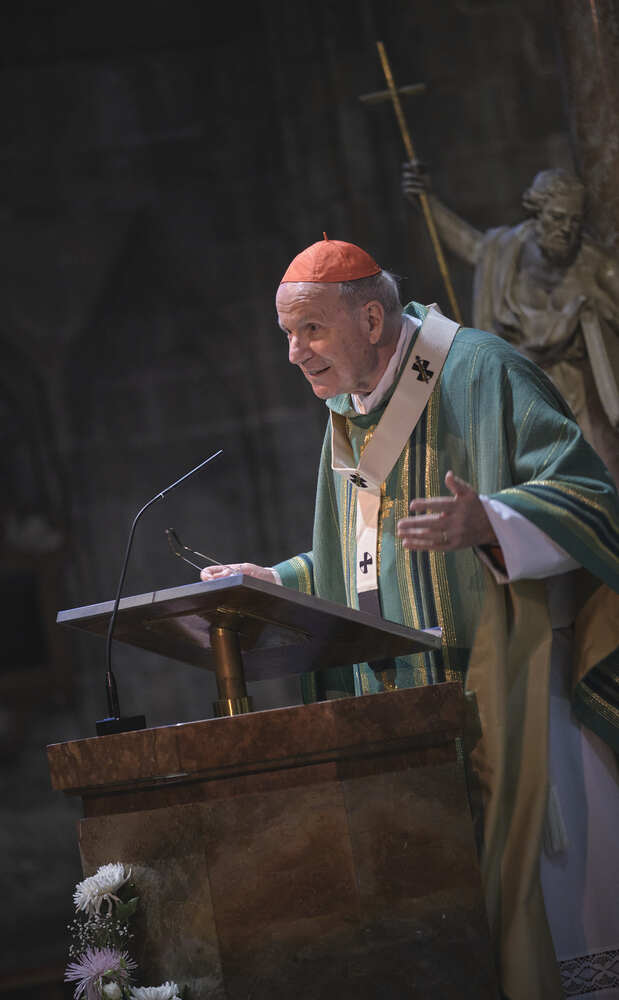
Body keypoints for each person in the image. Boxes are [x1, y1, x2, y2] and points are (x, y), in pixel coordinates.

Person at [201, 236, 619, 1000]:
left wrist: (491, 523)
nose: (294, 354)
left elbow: (593, 503)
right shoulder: (348, 413)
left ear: (370, 319)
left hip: (516, 699)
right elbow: (365, 564)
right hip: (406, 729)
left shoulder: (481, 372)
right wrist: (278, 580)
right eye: (286, 335)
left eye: (310, 330)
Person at [402, 164, 619, 484]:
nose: (566, 229)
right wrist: (427, 202)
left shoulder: (598, 266)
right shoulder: (505, 251)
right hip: (521, 389)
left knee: (603, 471)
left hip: (581, 392)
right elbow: (469, 245)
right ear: (537, 213)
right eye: (557, 218)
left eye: (575, 221)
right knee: (534, 481)